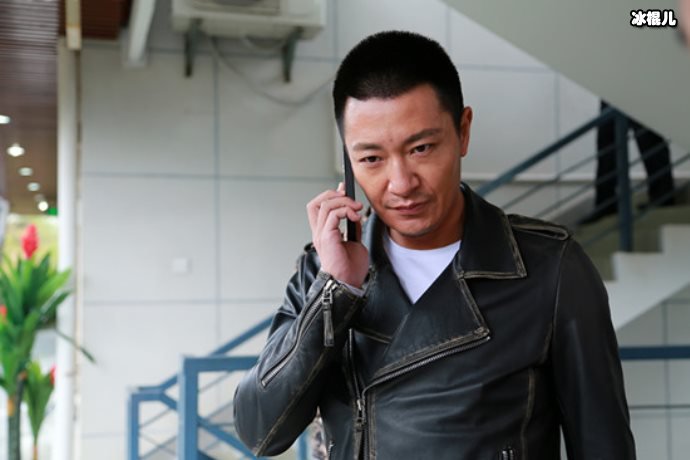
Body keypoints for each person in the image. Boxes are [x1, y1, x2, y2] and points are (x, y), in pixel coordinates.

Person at [233, 31, 635, 459]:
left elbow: (603, 445)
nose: (401, 183)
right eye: (371, 159)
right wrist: (336, 289)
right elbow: (261, 432)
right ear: (349, 160)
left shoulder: (549, 268)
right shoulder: (324, 270)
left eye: (421, 148)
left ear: (463, 131)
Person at [586, 100, 676, 222]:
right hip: (612, 92)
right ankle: (605, 204)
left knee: (648, 139)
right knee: (607, 145)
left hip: (638, 93)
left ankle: (663, 196)